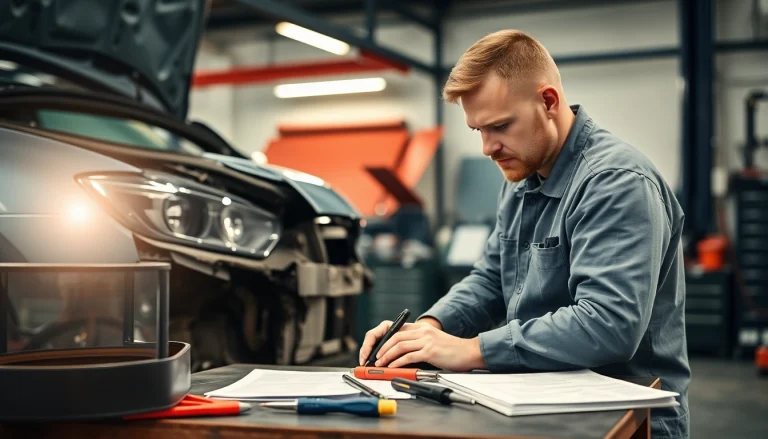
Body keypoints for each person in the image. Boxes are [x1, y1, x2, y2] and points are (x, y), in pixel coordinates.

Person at [359, 30, 690, 439]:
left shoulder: (616, 182)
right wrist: (429, 329)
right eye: (478, 129)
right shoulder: (520, 178)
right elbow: (491, 279)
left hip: (625, 420)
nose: (487, 147)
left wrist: (470, 350)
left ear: (548, 102)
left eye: (499, 126)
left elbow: (609, 324)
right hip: (540, 406)